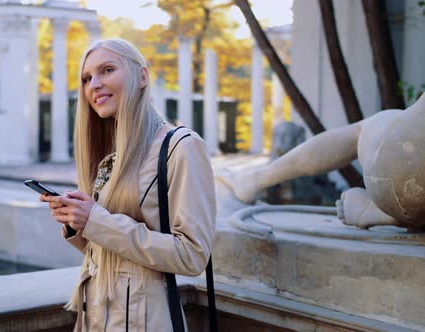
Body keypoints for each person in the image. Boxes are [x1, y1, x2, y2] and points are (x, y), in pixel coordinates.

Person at [40, 38, 216, 331]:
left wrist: (96, 220)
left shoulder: (182, 147)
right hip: (96, 317)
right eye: (86, 78)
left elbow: (192, 256)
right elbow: (116, 255)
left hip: (145, 322)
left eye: (107, 70)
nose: (94, 84)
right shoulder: (112, 157)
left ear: (142, 76)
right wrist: (78, 222)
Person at [226, 93, 425, 230]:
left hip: (400, 169)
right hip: (404, 176)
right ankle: (394, 214)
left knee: (369, 127)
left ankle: (255, 180)